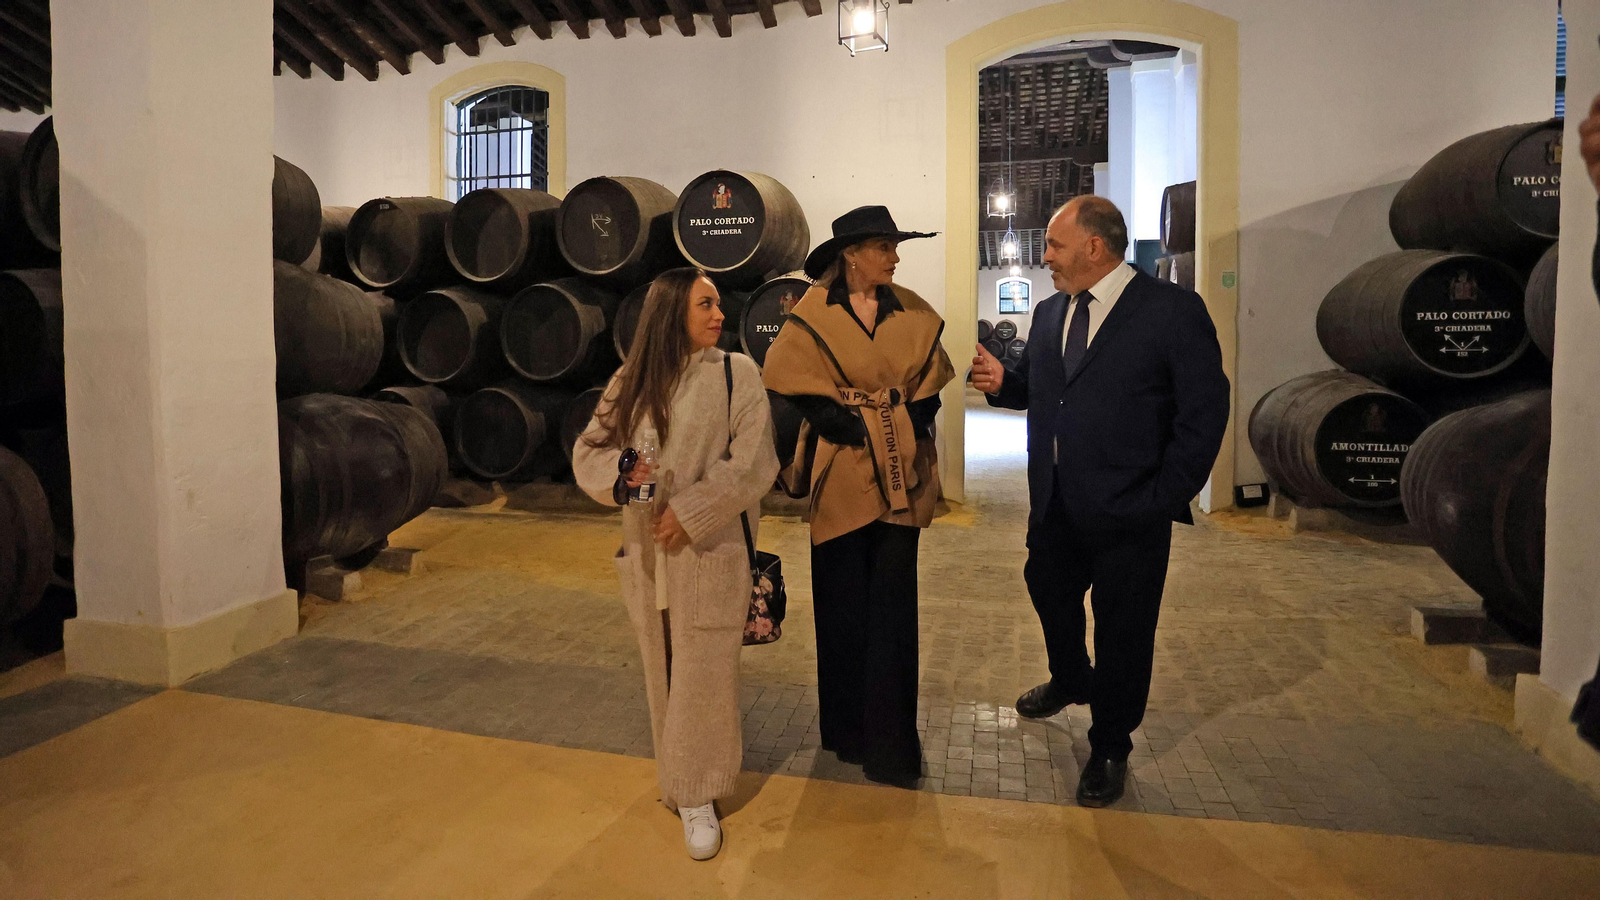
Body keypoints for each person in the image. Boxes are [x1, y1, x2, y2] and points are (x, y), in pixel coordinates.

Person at [970, 195, 1229, 807]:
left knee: (1124, 631)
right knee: (1047, 589)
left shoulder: (1171, 311)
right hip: (1056, 501)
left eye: (1054, 245)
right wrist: (1006, 385)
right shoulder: (1050, 311)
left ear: (1094, 246)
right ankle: (1070, 677)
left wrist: (1163, 497)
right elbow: (1045, 392)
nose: (1045, 257)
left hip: (1131, 509)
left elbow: (1203, 415)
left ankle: (1111, 743)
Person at [573, 267, 778, 860]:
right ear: (670, 313)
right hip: (648, 557)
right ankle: (678, 776)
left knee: (704, 674)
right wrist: (623, 477)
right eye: (705, 304)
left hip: (709, 553)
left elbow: (754, 462)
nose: (720, 314)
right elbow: (591, 450)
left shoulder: (738, 373)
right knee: (661, 669)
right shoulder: (632, 379)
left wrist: (692, 512)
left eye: (718, 304)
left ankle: (696, 794)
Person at [762, 205, 955, 786]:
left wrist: (899, 427)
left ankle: (892, 748)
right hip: (842, 469)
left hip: (903, 471)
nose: (895, 257)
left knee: (893, 607)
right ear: (851, 254)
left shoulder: (914, 310)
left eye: (896, 247)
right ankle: (847, 733)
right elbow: (794, 382)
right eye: (884, 247)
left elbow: (930, 388)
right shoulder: (812, 314)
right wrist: (849, 427)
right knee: (842, 602)